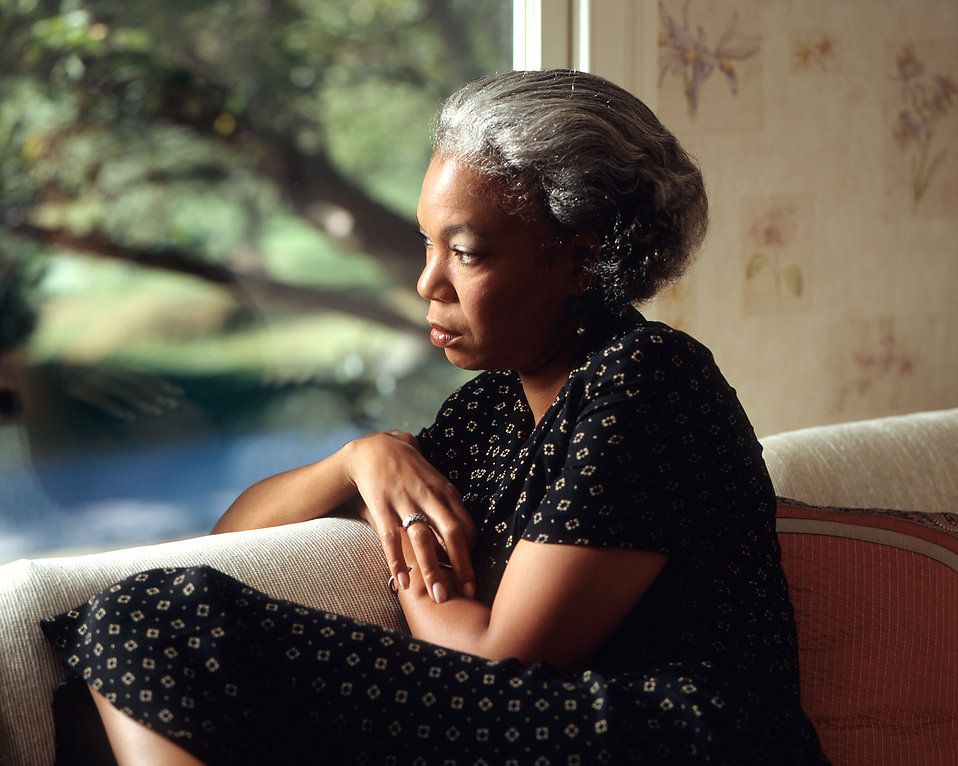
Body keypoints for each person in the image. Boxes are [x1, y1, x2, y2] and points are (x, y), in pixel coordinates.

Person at [41, 69, 828, 764]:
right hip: (546, 730)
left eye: (468, 252)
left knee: (155, 624)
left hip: (667, 738)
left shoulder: (647, 382)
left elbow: (502, 662)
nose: (428, 283)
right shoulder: (492, 409)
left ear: (580, 254)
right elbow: (231, 539)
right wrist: (357, 459)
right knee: (110, 688)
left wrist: (410, 551)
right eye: (427, 243)